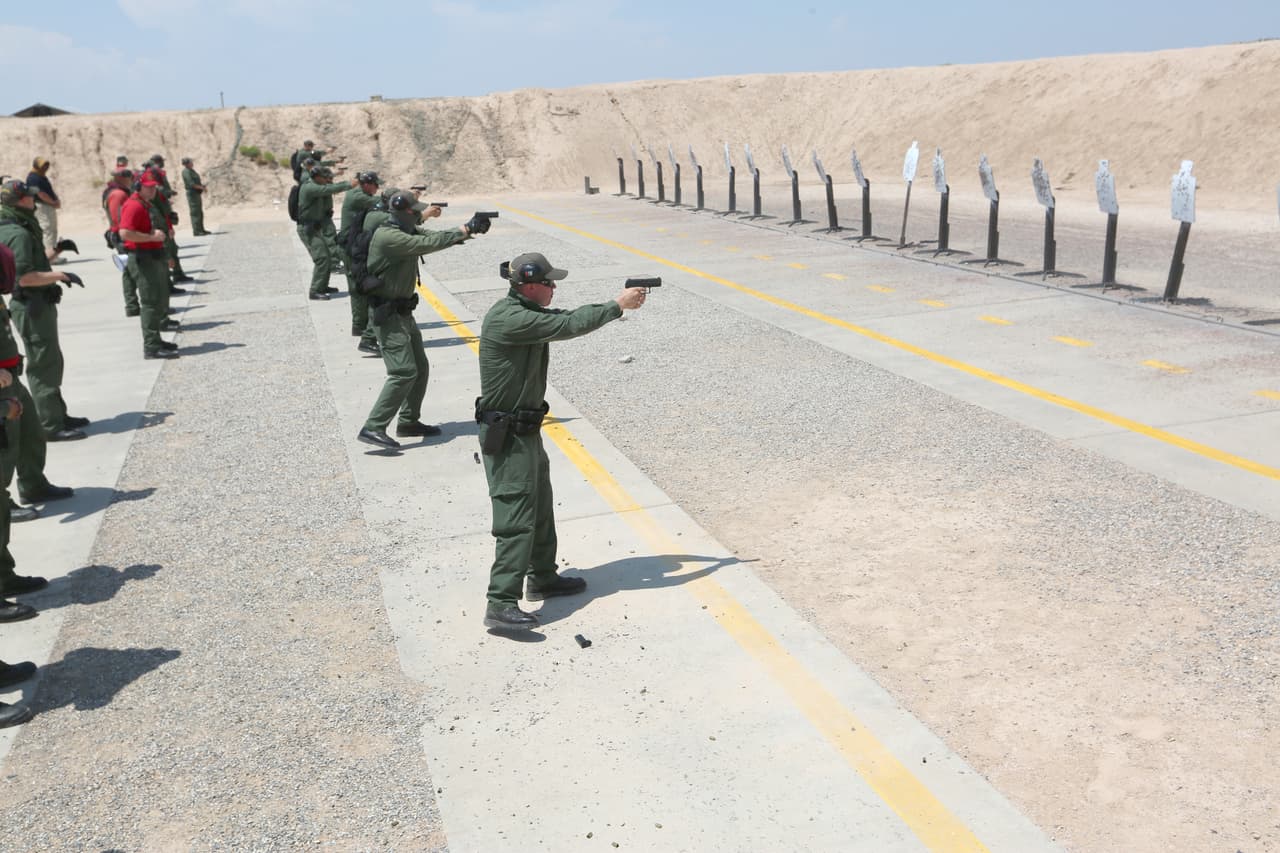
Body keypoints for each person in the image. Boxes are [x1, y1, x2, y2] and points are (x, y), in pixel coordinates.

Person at [475, 253, 646, 630]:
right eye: (550, 282)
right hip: (508, 437)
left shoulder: (525, 313)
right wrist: (617, 306)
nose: (555, 288)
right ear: (531, 284)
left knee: (539, 509)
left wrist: (611, 306)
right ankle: (500, 601)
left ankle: (542, 578)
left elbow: (563, 318)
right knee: (516, 518)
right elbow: (569, 324)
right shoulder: (509, 317)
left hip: (525, 431)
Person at [355, 194, 488, 449]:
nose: (417, 215)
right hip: (388, 315)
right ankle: (373, 426)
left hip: (403, 312)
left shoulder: (403, 230)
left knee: (420, 368)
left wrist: (466, 232)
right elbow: (427, 243)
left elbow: (429, 238)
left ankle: (408, 421)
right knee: (403, 372)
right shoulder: (389, 236)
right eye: (413, 211)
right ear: (400, 212)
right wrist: (464, 229)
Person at [0, 180, 89, 441]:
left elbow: (29, 266)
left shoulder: (16, 227)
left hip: (33, 305)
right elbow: (24, 278)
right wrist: (60, 275)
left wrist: (57, 251)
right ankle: (51, 424)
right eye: (28, 197)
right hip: (32, 306)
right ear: (18, 202)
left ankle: (58, 413)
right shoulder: (18, 233)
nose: (33, 200)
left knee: (50, 360)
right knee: (43, 364)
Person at [118, 171, 179, 359]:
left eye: (153, 187)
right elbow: (125, 233)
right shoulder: (134, 206)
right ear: (139, 187)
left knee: (159, 298)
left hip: (153, 256)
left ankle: (156, 340)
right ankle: (151, 346)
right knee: (150, 302)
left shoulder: (145, 204)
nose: (152, 189)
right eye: (148, 187)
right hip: (143, 259)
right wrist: (151, 238)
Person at [338, 171, 383, 353]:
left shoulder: (360, 193)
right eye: (375, 185)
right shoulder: (358, 195)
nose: (377, 188)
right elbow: (381, 203)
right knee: (357, 287)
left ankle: (362, 325)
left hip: (354, 245)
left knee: (361, 285)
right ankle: (359, 326)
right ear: (366, 184)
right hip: (350, 248)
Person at [297, 167, 357, 301]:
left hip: (315, 227)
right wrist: (349, 184)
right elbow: (329, 189)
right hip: (307, 230)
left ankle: (322, 286)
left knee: (327, 257)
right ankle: (315, 291)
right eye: (324, 178)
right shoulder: (310, 187)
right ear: (317, 176)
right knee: (322, 258)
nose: (327, 181)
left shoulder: (317, 184)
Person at [25, 157, 62, 263]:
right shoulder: (34, 178)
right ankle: (49, 257)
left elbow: (48, 191)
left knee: (51, 229)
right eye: (43, 165)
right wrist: (53, 202)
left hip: (47, 206)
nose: (46, 167)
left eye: (47, 165)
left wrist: (56, 200)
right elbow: (41, 194)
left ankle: (51, 255)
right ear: (37, 166)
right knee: (47, 230)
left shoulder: (41, 177)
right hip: (42, 206)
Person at [180, 158, 210, 236]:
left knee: (199, 212)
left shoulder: (191, 171)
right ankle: (197, 231)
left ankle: (201, 229)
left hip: (196, 193)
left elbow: (196, 182)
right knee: (195, 212)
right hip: (192, 194)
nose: (192, 163)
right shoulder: (186, 172)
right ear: (187, 163)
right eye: (191, 162)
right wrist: (201, 188)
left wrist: (202, 186)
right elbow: (191, 184)